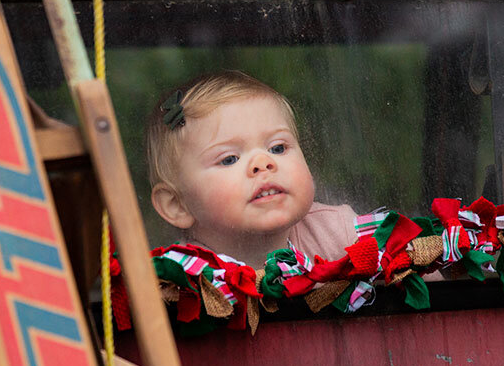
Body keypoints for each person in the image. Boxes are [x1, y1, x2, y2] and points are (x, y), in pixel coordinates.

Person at [145, 70, 359, 266]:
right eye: (229, 159)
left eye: (277, 148)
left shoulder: (342, 233)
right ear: (177, 204)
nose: (263, 163)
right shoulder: (183, 280)